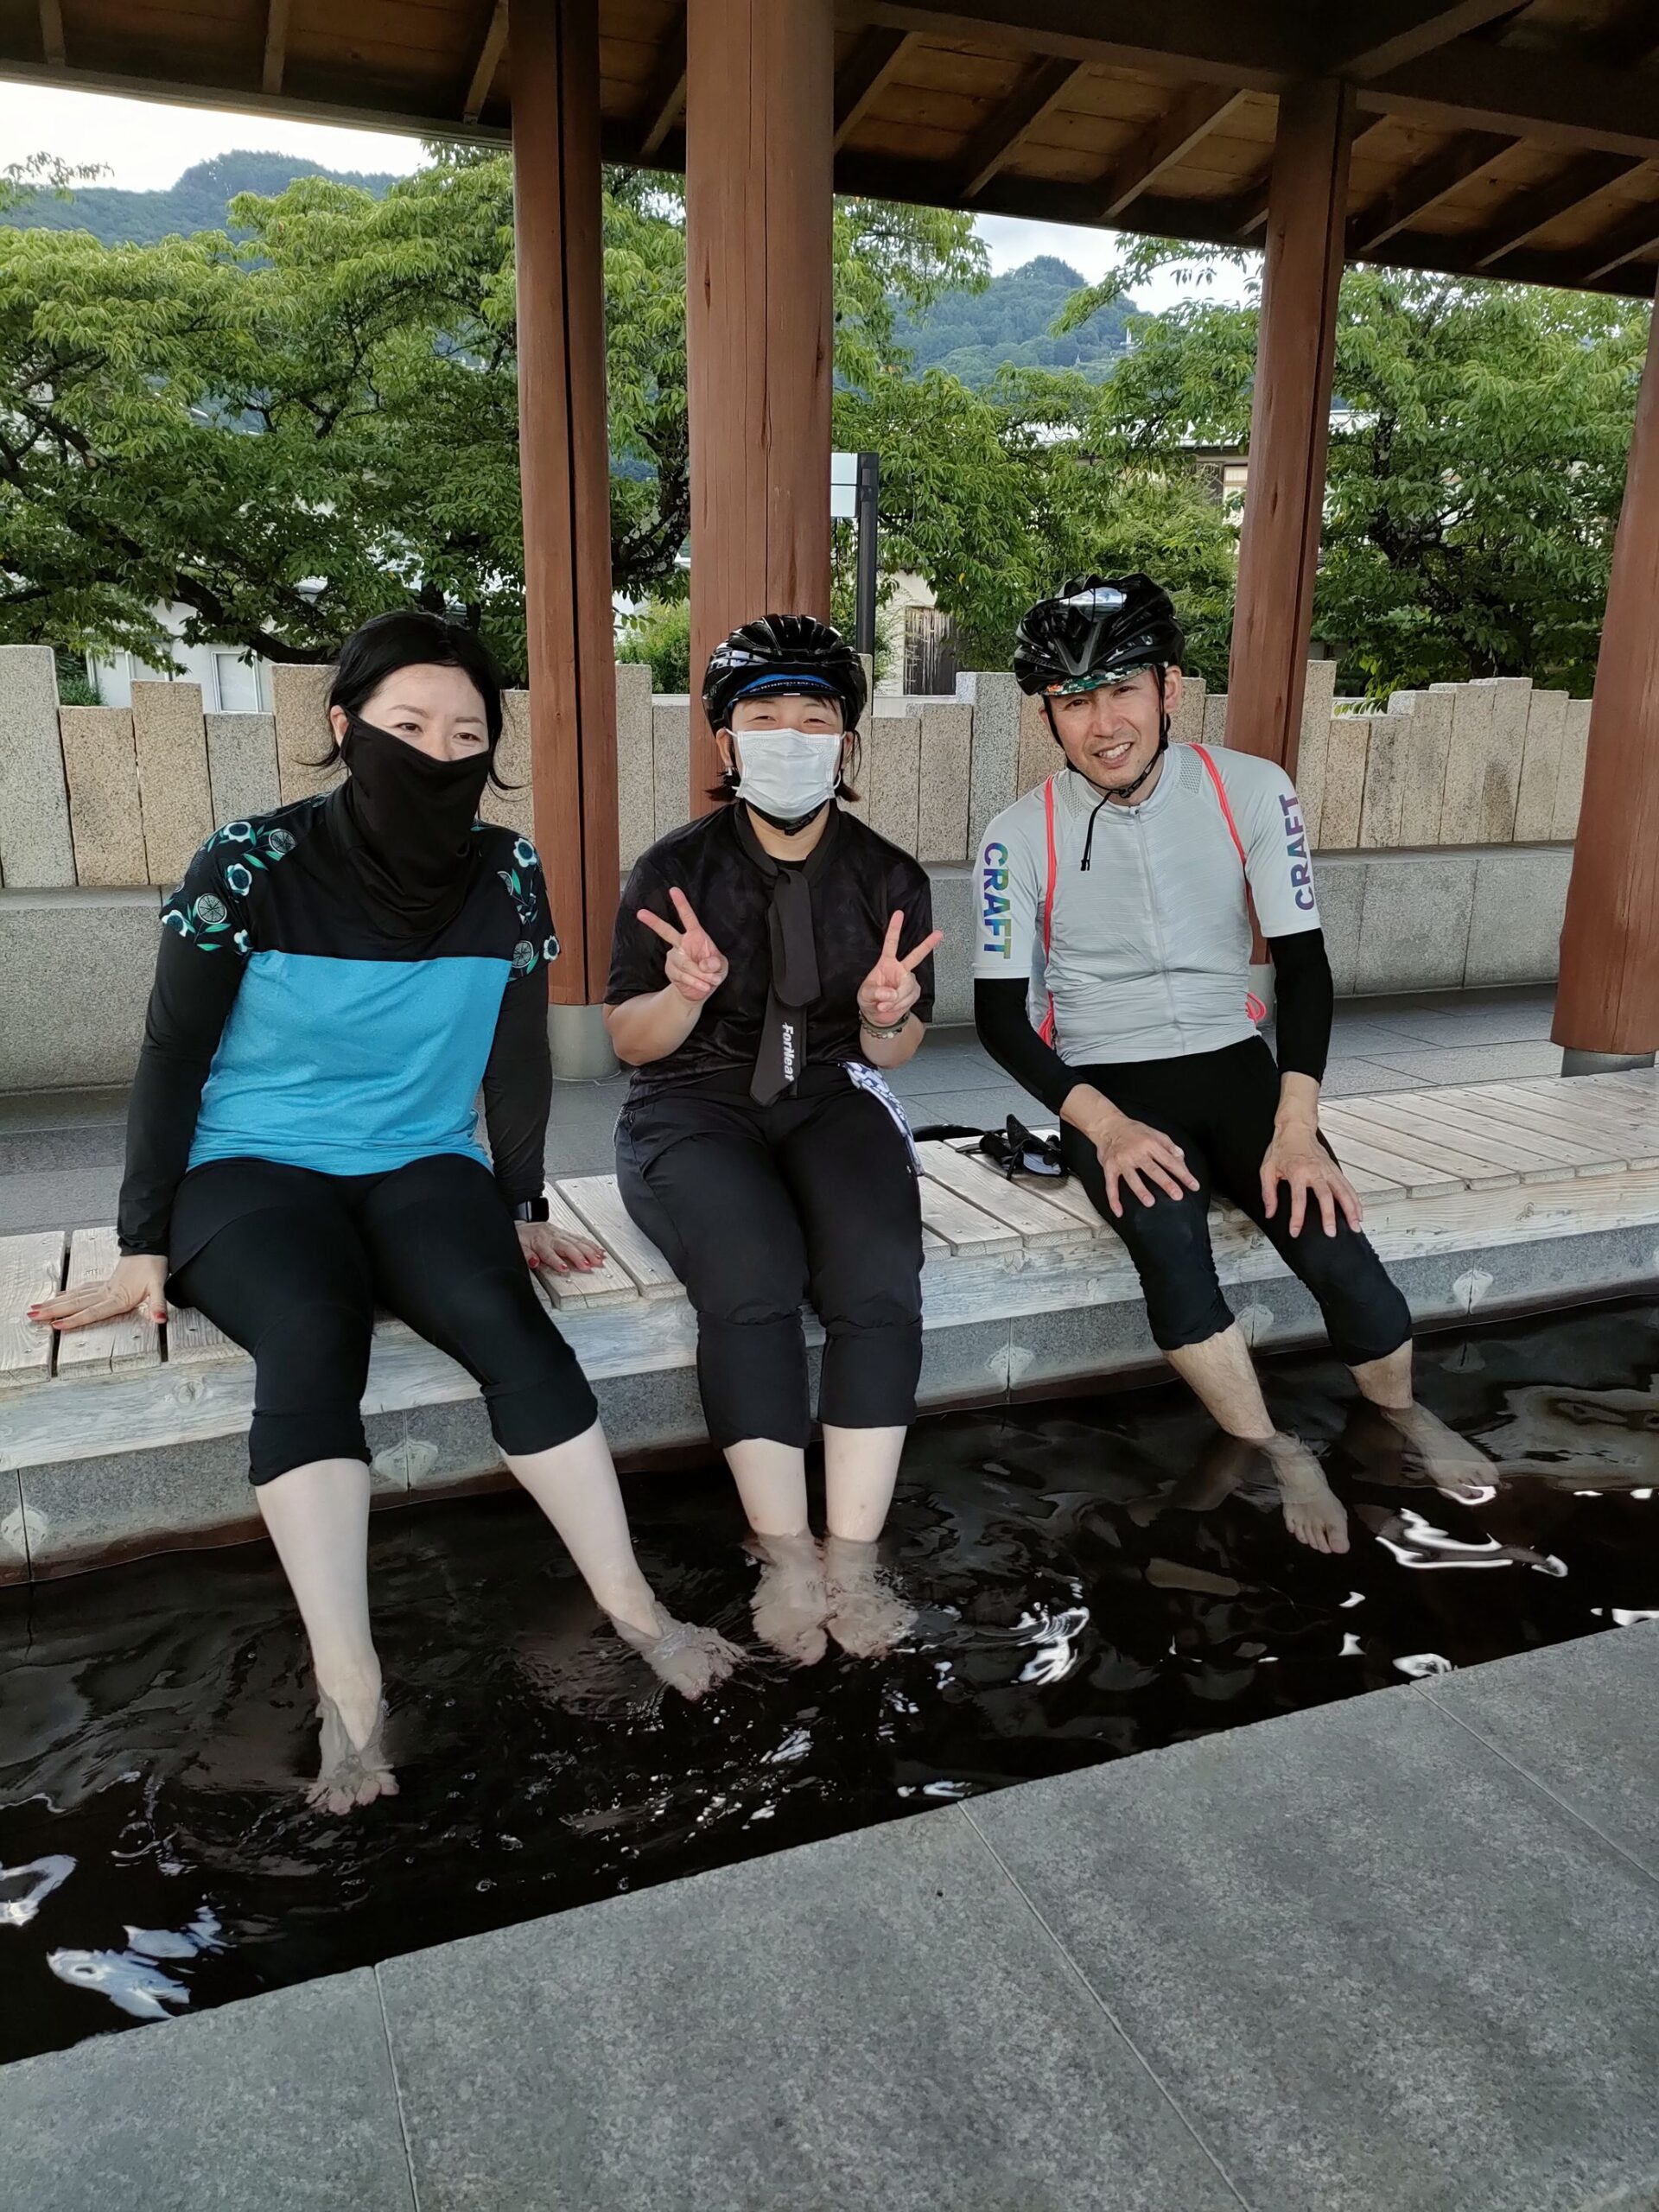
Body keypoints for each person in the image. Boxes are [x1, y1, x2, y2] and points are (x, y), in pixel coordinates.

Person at [25, 610, 739, 1815]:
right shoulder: (248, 864)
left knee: (504, 1318)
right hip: (250, 1166)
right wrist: (142, 1238)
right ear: (345, 726)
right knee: (314, 1328)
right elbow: (171, 1053)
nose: (437, 753)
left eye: (466, 735)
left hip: (419, 1159)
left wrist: (519, 1201)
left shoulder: (506, 870)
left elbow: (517, 1049)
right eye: (409, 725)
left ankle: (634, 1606)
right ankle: (349, 1685)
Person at [974, 575, 1489, 1556]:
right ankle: (1277, 1449)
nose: (1102, 723)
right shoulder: (1015, 835)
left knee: (1337, 1247)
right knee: (1170, 1244)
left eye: (1122, 690)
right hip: (1110, 1081)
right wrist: (1105, 1127)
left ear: (1169, 688)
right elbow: (1000, 1018)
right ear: (1048, 717)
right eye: (1074, 701)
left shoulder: (1251, 788)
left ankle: (1404, 1415)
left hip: (1234, 1066)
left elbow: (1304, 966)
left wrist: (1298, 1127)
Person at [605, 614, 943, 1663]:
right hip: (691, 1101)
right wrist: (682, 993)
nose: (789, 736)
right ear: (725, 741)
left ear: (845, 743)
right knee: (752, 1265)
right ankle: (786, 1553)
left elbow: (895, 1050)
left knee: (878, 1268)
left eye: (814, 718)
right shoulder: (672, 870)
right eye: (763, 717)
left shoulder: (888, 874)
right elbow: (628, 1039)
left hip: (829, 1091)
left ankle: (855, 1555)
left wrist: (887, 1015)